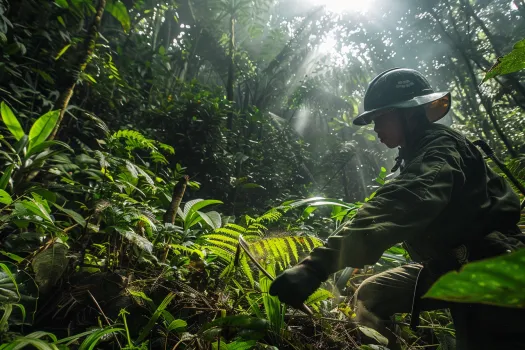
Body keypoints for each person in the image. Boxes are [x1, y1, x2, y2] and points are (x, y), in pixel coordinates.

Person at [269, 68, 525, 350]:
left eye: (381, 117)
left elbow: (405, 201)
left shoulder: (440, 148)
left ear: (410, 113)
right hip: (446, 265)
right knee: (373, 294)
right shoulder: (415, 154)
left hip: (490, 264)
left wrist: (315, 266)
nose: (376, 128)